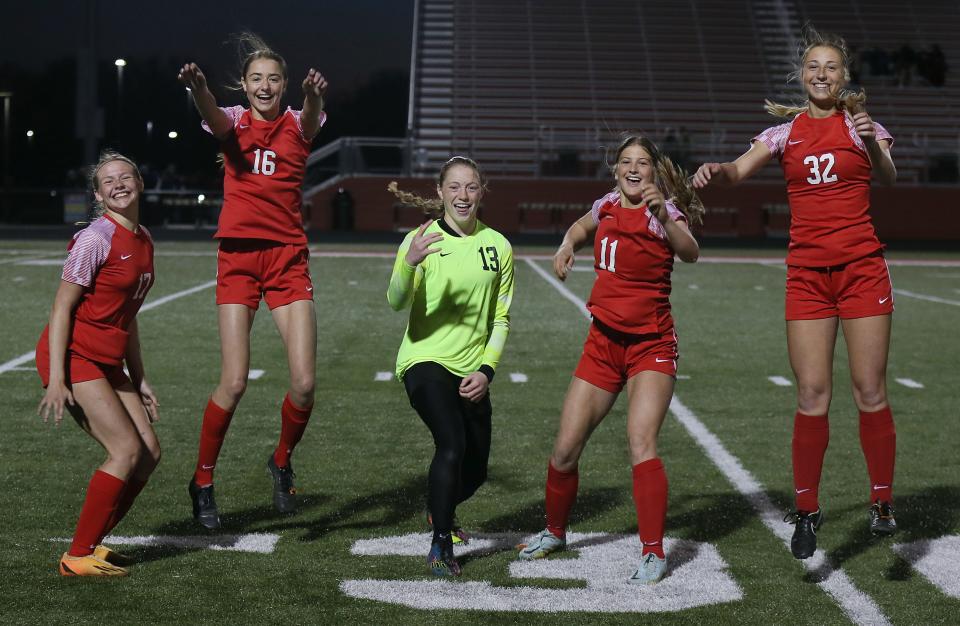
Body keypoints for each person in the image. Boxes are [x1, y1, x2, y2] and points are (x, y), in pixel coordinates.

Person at [692, 25, 898, 560]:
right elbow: (739, 171)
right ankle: (806, 509)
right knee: (811, 394)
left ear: (844, 76)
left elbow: (890, 178)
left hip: (861, 270)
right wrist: (717, 171)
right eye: (813, 67)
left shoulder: (863, 126)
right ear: (801, 76)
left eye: (831, 67)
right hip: (807, 275)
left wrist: (873, 140)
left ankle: (881, 500)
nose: (821, 74)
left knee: (869, 390)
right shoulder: (783, 134)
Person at [517, 135, 703, 585]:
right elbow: (582, 226)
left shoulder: (664, 212)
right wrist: (567, 245)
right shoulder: (605, 204)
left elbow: (691, 251)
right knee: (564, 449)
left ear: (655, 171)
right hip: (602, 342)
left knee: (640, 442)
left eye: (642, 162)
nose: (634, 168)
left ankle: (654, 552)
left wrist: (663, 214)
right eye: (626, 162)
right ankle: (555, 532)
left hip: (651, 345)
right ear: (615, 168)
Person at [178, 33, 328, 529]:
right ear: (243, 85)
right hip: (238, 258)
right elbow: (214, 116)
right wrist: (198, 88)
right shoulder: (235, 122)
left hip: (286, 259)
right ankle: (202, 480)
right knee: (235, 381)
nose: (265, 86)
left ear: (284, 85)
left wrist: (312, 95)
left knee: (304, 383)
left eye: (274, 79)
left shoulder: (297, 123)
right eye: (256, 79)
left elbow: (309, 118)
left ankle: (281, 460)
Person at [386, 157, 514, 576]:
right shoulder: (420, 240)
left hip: (472, 369)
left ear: (482, 192)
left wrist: (486, 371)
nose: (463, 196)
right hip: (424, 359)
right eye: (454, 187)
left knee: (474, 472)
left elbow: (500, 318)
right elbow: (395, 300)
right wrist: (410, 263)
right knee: (452, 444)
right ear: (440, 192)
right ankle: (442, 542)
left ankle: (437, 506)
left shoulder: (498, 246)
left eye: (471, 187)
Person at [36, 151, 160, 577]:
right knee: (124, 451)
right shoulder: (95, 238)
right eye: (109, 180)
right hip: (74, 355)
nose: (119, 184)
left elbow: (128, 315)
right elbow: (61, 309)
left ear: (140, 184)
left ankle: (93, 543)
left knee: (148, 455)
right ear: (98, 193)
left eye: (127, 176)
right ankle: (76, 556)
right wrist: (56, 379)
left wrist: (139, 379)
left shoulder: (143, 236)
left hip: (107, 357)